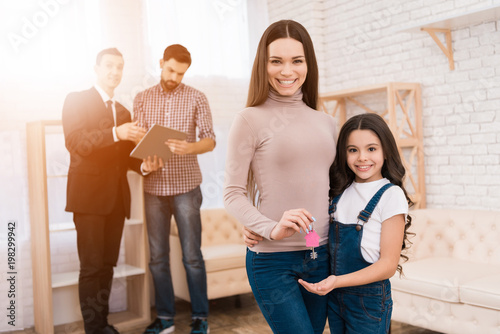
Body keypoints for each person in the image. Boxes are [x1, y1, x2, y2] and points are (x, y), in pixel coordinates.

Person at [223, 20, 337, 334]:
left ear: (308, 65)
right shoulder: (249, 120)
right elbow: (232, 193)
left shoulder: (327, 122)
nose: (287, 70)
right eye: (277, 61)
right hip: (272, 261)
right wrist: (269, 227)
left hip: (318, 252)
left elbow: (333, 190)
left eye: (296, 61)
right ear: (264, 64)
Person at [62, 48, 162, 334]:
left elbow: (127, 159)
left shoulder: (123, 112)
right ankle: (94, 329)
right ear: (96, 68)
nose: (115, 72)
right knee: (92, 268)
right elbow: (76, 142)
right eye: (109, 66)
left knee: (107, 267)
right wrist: (118, 133)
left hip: (116, 200)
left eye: (119, 67)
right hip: (88, 199)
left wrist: (146, 165)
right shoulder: (76, 100)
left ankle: (102, 324)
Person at [299, 113, 414, 334]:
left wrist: (336, 281)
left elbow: (388, 265)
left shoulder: (391, 195)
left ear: (386, 151)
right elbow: (314, 234)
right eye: (353, 150)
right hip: (335, 298)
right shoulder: (339, 193)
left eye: (371, 149)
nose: (362, 157)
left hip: (368, 301)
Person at [134, 44, 215, 334]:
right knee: (157, 258)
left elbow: (210, 140)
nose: (175, 78)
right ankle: (166, 319)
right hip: (153, 188)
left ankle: (200, 318)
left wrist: (189, 147)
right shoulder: (142, 98)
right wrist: (147, 159)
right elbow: (139, 140)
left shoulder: (197, 97)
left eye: (181, 73)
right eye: (170, 70)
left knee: (191, 256)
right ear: (161, 63)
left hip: (186, 188)